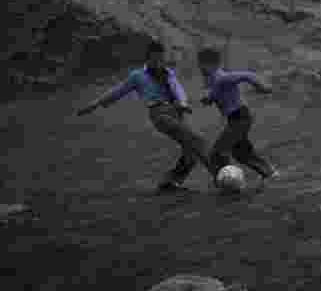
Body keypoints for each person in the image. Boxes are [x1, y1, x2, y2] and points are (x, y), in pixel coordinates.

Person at [76, 40, 216, 192]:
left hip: (177, 113)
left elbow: (178, 88)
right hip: (160, 115)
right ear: (148, 58)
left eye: (161, 58)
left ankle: (170, 182)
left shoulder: (168, 72)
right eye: (155, 58)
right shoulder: (137, 76)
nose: (158, 62)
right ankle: (219, 175)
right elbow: (118, 91)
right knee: (198, 140)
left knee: (191, 151)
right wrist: (95, 104)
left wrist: (183, 103)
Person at [196, 47, 279, 182]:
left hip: (240, 118)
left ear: (210, 64)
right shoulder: (214, 80)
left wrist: (261, 86)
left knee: (218, 152)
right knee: (241, 153)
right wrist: (209, 99)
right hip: (236, 119)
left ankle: (226, 181)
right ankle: (270, 173)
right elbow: (216, 93)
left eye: (201, 65)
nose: (199, 69)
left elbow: (247, 75)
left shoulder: (221, 77)